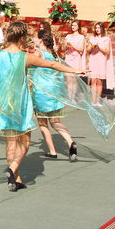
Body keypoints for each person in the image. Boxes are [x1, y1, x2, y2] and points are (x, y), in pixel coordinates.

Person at [0, 21, 84, 191]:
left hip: (2, 103)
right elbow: (52, 64)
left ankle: (16, 179)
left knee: (10, 143)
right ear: (22, 37)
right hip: (20, 103)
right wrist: (74, 70)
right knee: (25, 141)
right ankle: (13, 169)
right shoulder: (25, 57)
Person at [32, 29, 79, 161]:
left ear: (40, 39)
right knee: (55, 121)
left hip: (42, 91)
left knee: (42, 123)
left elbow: (30, 65)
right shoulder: (54, 54)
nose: (34, 39)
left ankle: (52, 151)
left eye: (35, 37)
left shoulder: (39, 53)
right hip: (54, 91)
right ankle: (70, 142)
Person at [87, 22, 115, 104]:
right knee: (93, 80)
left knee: (99, 81)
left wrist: (99, 47)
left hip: (101, 60)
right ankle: (93, 101)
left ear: (102, 29)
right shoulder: (92, 38)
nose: (97, 29)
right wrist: (92, 47)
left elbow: (108, 52)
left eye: (99, 28)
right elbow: (88, 50)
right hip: (93, 60)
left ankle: (97, 101)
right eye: (96, 28)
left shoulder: (106, 39)